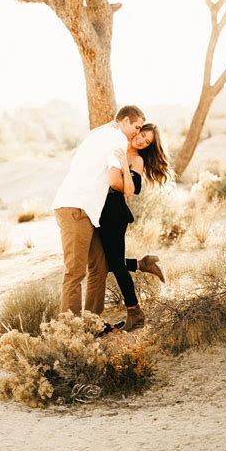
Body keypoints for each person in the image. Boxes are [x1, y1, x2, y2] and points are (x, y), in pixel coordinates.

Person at [52, 105, 146, 317]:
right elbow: (114, 181)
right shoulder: (118, 138)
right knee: (75, 273)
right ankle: (70, 329)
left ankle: (92, 321)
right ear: (124, 121)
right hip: (76, 207)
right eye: (136, 126)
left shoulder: (96, 135)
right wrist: (129, 185)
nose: (137, 133)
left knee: (99, 266)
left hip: (87, 211)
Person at [99, 123, 173, 332]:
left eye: (147, 141)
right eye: (141, 135)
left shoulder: (137, 160)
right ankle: (142, 264)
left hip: (114, 213)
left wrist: (124, 164)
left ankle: (135, 314)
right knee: (106, 262)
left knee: (115, 265)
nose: (141, 140)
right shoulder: (116, 146)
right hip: (101, 211)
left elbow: (133, 189)